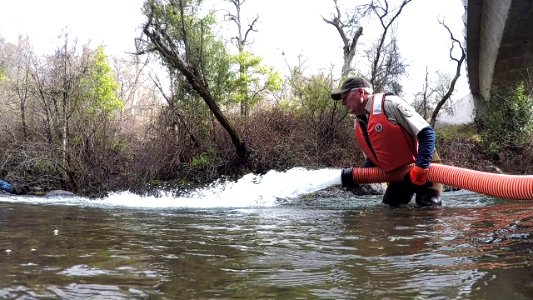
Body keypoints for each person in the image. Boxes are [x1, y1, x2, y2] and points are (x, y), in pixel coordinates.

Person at [331, 76, 442, 207]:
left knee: (427, 206)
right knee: (390, 208)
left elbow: (427, 133)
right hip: (399, 173)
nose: (343, 101)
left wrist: (421, 167)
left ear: (361, 92)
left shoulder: (390, 104)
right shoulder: (359, 123)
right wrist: (357, 177)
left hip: (425, 165)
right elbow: (373, 159)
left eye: (346, 95)